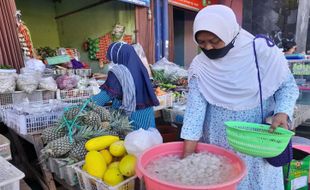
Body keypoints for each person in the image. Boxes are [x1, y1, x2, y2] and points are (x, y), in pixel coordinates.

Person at [181, 5, 299, 190]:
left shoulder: (262, 53)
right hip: (220, 146)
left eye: (214, 41)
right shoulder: (200, 66)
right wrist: (187, 157)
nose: (208, 48)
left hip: (258, 146)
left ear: (229, 33)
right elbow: (195, 113)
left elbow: (287, 86)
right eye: (201, 43)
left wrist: (282, 112)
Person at [92, 42, 159, 130]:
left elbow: (105, 95)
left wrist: (85, 105)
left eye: (112, 59)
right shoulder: (141, 68)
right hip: (147, 111)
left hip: (132, 115)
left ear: (118, 56)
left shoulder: (118, 72)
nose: (112, 62)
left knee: (133, 141)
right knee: (148, 139)